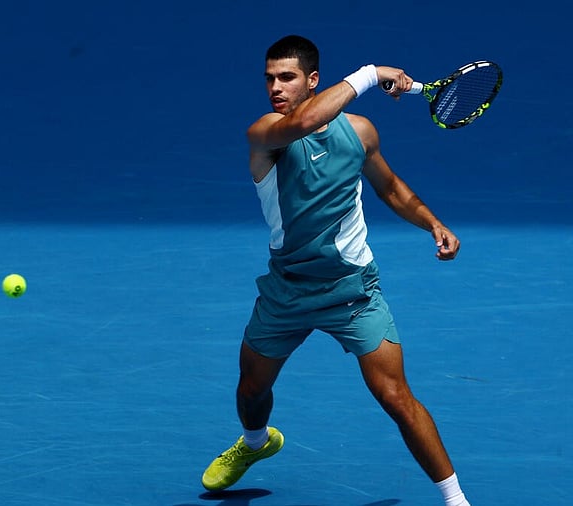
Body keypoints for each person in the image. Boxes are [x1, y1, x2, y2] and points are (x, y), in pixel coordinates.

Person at [201, 35, 471, 506]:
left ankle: (456, 500)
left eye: (287, 77)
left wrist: (433, 223)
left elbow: (390, 188)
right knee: (251, 389)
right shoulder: (265, 134)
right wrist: (372, 73)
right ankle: (256, 443)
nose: (275, 88)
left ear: (313, 80)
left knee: (396, 396)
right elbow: (306, 121)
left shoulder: (360, 132)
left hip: (353, 291)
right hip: (286, 291)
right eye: (269, 79)